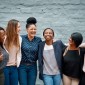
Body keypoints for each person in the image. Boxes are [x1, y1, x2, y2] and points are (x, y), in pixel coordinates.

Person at [18, 17, 42, 85]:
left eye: (35, 29)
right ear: (27, 29)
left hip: (33, 66)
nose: (33, 30)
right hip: (22, 66)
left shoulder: (38, 40)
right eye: (31, 29)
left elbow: (43, 48)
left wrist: (53, 42)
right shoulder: (21, 38)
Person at [4, 19, 22, 85]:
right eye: (18, 27)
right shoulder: (4, 38)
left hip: (14, 67)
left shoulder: (19, 38)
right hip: (4, 67)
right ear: (12, 27)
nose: (20, 29)